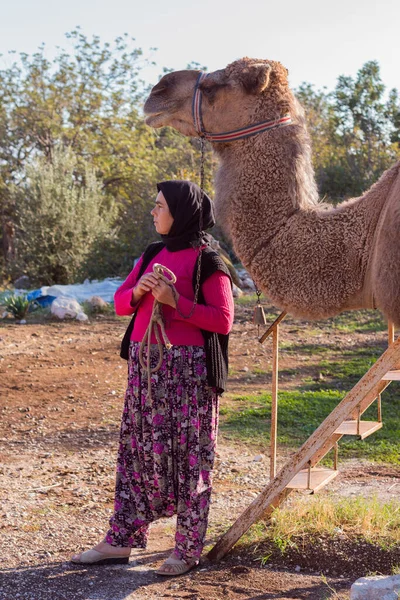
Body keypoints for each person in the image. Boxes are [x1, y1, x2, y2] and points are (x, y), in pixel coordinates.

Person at [71, 180, 234, 576]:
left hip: (190, 374)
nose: (153, 211)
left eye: (159, 205)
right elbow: (119, 303)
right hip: (146, 370)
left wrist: (175, 302)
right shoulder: (151, 255)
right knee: (136, 455)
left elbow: (223, 321)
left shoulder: (209, 262)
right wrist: (140, 291)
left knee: (190, 458)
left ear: (181, 213)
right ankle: (120, 540)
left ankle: (186, 548)